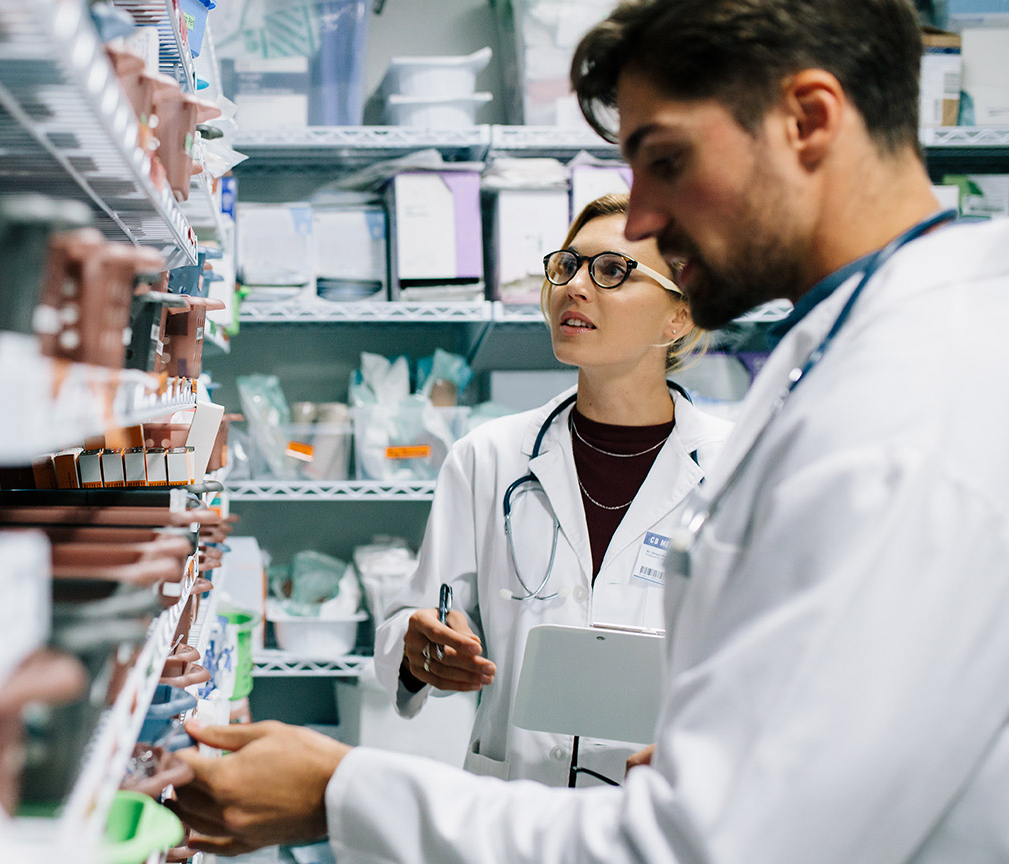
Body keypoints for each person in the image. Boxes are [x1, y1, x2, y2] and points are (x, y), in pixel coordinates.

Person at [169, 1, 1009, 861]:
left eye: (666, 160)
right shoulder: (852, 354)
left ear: (808, 120)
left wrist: (341, 790)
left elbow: (711, 846)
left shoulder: (910, 406)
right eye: (571, 265)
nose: (642, 219)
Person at [375, 192, 729, 789]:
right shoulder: (488, 459)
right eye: (567, 265)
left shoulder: (733, 470)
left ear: (679, 317)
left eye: (612, 270)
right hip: (515, 805)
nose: (575, 287)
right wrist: (420, 651)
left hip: (659, 809)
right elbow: (408, 627)